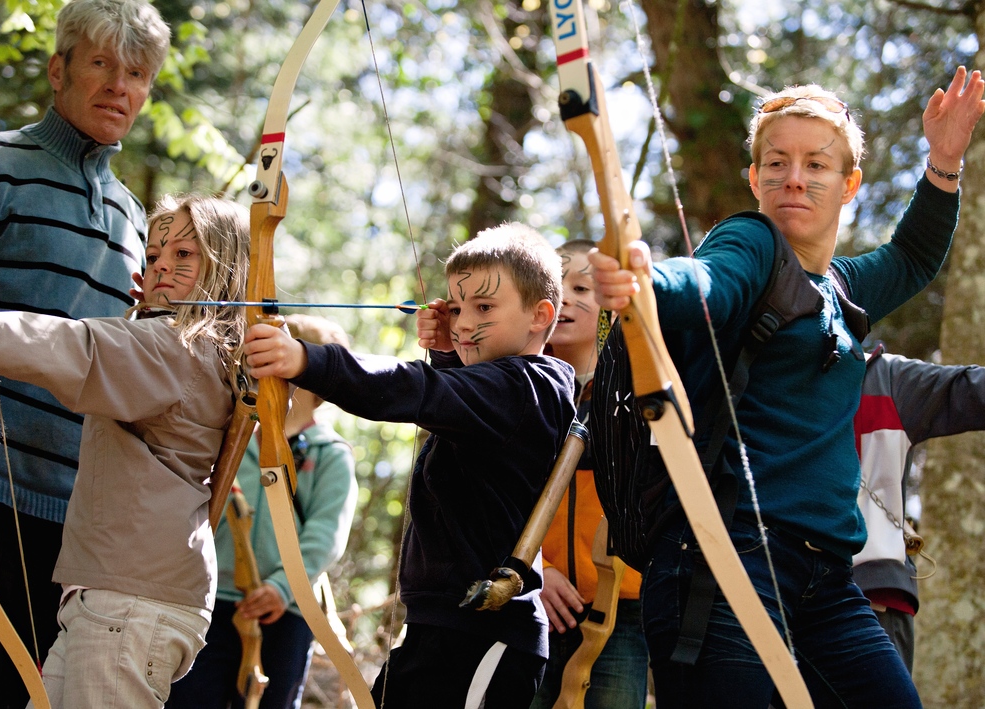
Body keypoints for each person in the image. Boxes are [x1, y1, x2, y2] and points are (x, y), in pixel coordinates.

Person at [589, 67, 984, 708]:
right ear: (754, 178)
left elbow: (912, 257)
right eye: (775, 163)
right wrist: (647, 287)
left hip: (825, 580)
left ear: (849, 184)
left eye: (817, 165)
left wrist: (944, 161)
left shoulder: (843, 290)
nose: (793, 178)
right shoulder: (751, 242)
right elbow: (710, 284)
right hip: (722, 564)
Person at [0, 2, 170, 706]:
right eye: (100, 64)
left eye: (136, 73)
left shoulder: (132, 218)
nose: (119, 86)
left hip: (70, 516)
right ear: (58, 70)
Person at [0, 194, 250, 708]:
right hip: (119, 598)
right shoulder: (190, 349)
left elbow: (79, 348)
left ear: (227, 267)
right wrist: (150, 313)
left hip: (130, 605)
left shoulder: (173, 348)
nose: (162, 264)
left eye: (185, 255)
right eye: (156, 254)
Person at [243, 223, 577, 709]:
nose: (463, 322)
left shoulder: (529, 388)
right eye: (458, 307)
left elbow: (420, 391)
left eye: (484, 308)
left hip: (485, 634)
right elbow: (458, 410)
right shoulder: (501, 390)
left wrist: (312, 362)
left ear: (539, 315)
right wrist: (448, 355)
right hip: (442, 624)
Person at [167, 314, 359, 709]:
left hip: (285, 612)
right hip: (211, 599)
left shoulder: (330, 455)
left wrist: (281, 588)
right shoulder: (234, 434)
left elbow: (325, 536)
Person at [530, 239, 648, 709]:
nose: (566, 298)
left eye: (582, 286)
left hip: (622, 608)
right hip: (535, 601)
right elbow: (495, 499)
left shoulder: (638, 391)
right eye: (554, 287)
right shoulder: (525, 388)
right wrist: (535, 570)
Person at [852, 345, 985, 674]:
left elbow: (971, 389)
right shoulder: (886, 378)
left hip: (870, 598)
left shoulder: (885, 378)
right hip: (758, 592)